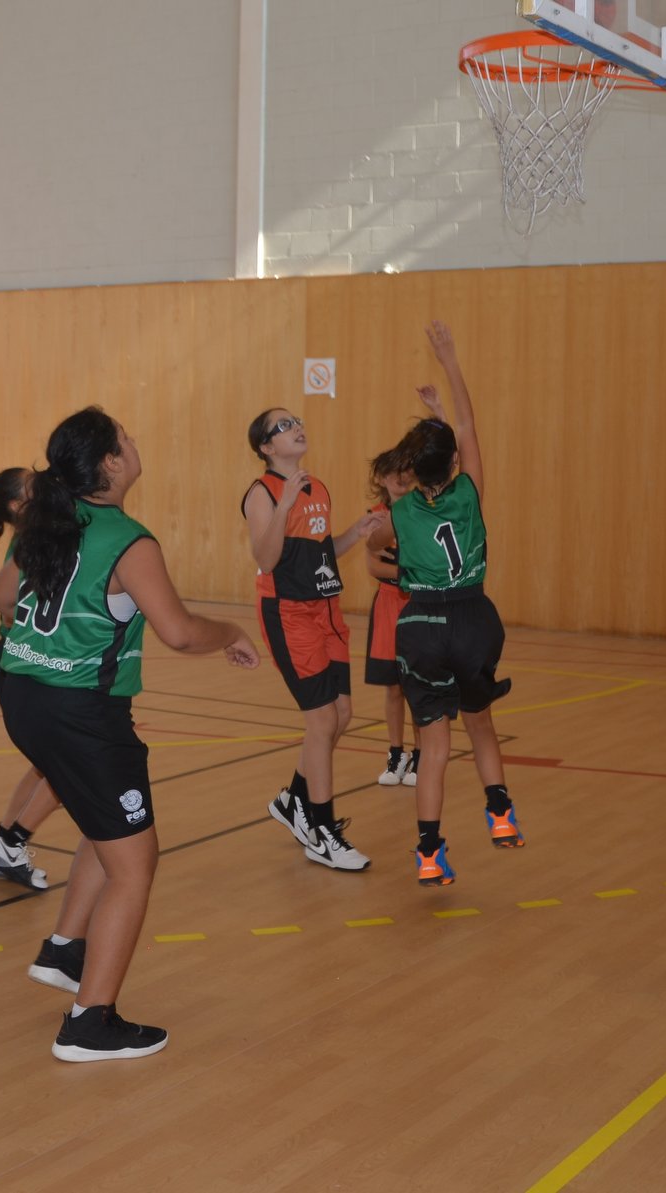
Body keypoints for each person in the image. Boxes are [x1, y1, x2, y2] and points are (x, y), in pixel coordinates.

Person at [0, 407, 259, 1060]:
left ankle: (65, 949)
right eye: (126, 440)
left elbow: (0, 598)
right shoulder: (128, 540)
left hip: (20, 690)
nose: (135, 445)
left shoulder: (46, 520)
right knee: (136, 865)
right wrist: (231, 632)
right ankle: (89, 1023)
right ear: (110, 462)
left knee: (103, 824)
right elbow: (181, 632)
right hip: (79, 710)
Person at [367, 321, 525, 889]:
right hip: (472, 618)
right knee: (481, 725)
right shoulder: (469, 492)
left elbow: (374, 547)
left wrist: (401, 557)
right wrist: (450, 363)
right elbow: (467, 425)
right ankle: (500, 814)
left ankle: (429, 854)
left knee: (432, 744)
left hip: (421, 624)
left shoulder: (399, 512)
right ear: (455, 462)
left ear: (411, 472)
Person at [241, 409, 386, 870]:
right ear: (266, 447)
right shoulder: (262, 493)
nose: (296, 428)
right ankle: (322, 833)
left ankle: (293, 802)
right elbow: (266, 559)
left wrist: (354, 535)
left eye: (297, 421)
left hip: (326, 610)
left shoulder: (317, 487)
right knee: (322, 720)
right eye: (283, 426)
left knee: (341, 713)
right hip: (288, 613)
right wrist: (284, 506)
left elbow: (321, 553)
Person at [0, 467, 61, 891]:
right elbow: (3, 602)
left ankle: (3, 845)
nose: (42, 482)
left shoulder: (38, 534)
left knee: (48, 765)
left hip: (21, 663)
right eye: (31, 484)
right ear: (18, 505)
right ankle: (9, 843)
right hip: (20, 664)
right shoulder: (31, 541)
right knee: (66, 766)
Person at [362, 448, 417, 787]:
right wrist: (410, 572)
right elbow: (373, 567)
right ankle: (397, 754)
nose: (401, 476)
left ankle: (421, 756)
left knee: (418, 688)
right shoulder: (376, 517)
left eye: (406, 469)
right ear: (382, 479)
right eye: (393, 471)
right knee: (394, 688)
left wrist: (403, 569)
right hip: (388, 607)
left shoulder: (423, 512)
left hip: (418, 607)